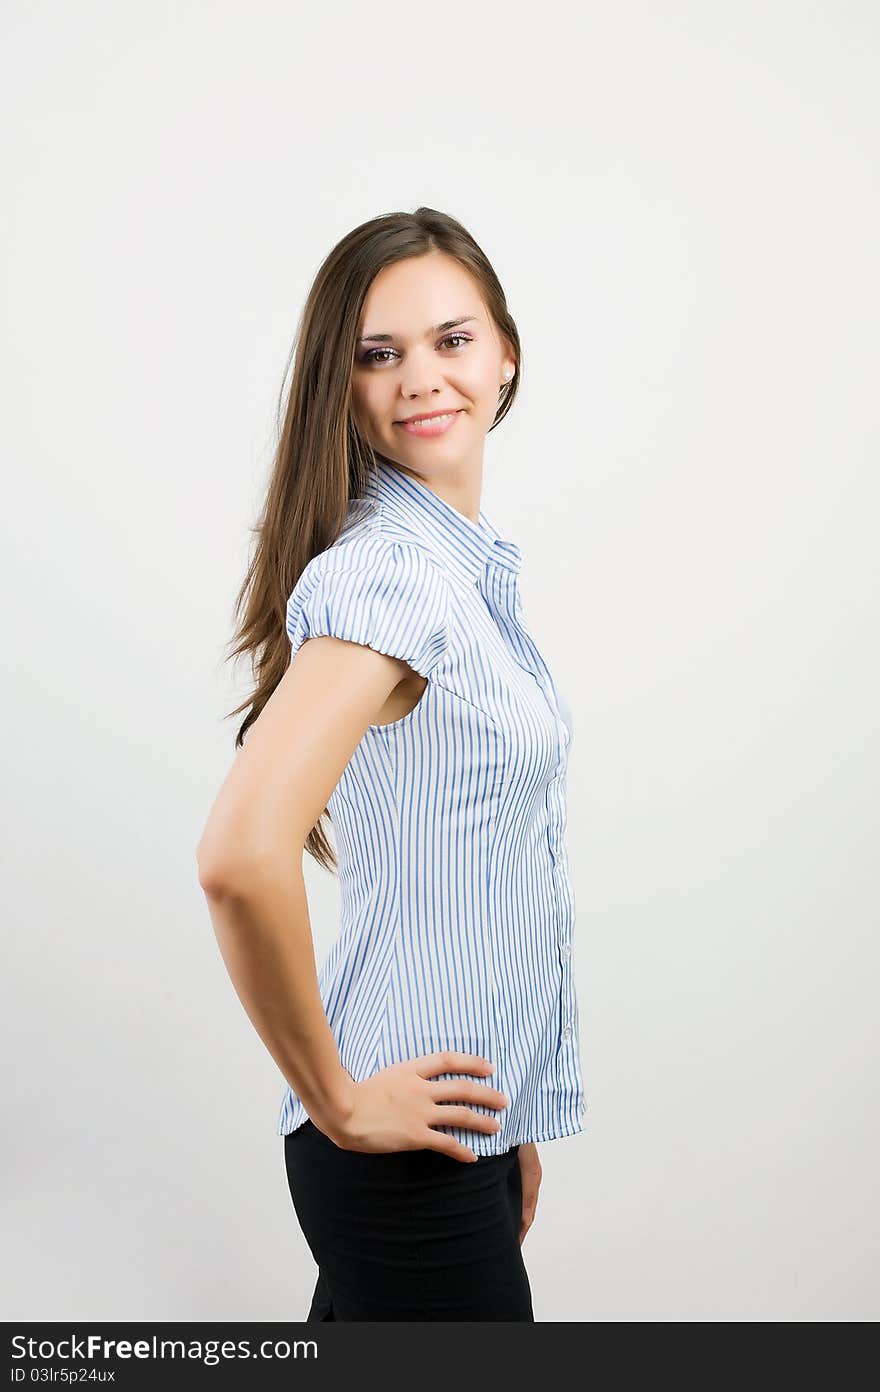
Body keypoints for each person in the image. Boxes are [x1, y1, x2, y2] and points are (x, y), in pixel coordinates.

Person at [197, 207, 587, 1322]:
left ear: (505, 354)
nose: (422, 378)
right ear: (346, 384)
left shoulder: (451, 575)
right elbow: (237, 855)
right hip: (396, 1159)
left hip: (452, 1143)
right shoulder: (397, 581)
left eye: (451, 341)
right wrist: (340, 1105)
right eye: (379, 354)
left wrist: (503, 1133)